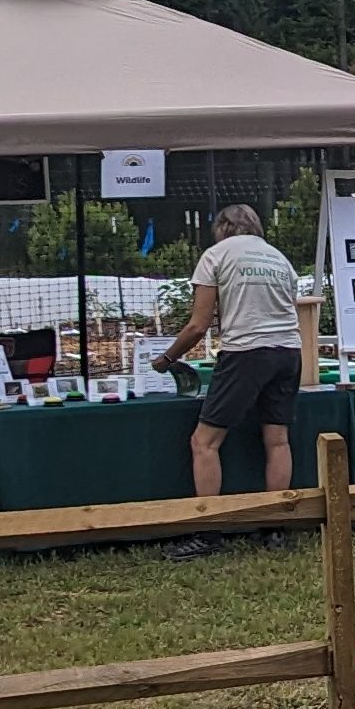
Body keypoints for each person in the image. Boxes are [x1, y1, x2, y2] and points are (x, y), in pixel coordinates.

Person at [150, 204, 304, 521]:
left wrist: (166, 359)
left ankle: (209, 526)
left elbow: (198, 325)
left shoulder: (216, 255)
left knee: (204, 442)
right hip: (288, 352)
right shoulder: (279, 259)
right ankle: (275, 524)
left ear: (222, 227)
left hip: (246, 352)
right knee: (277, 441)